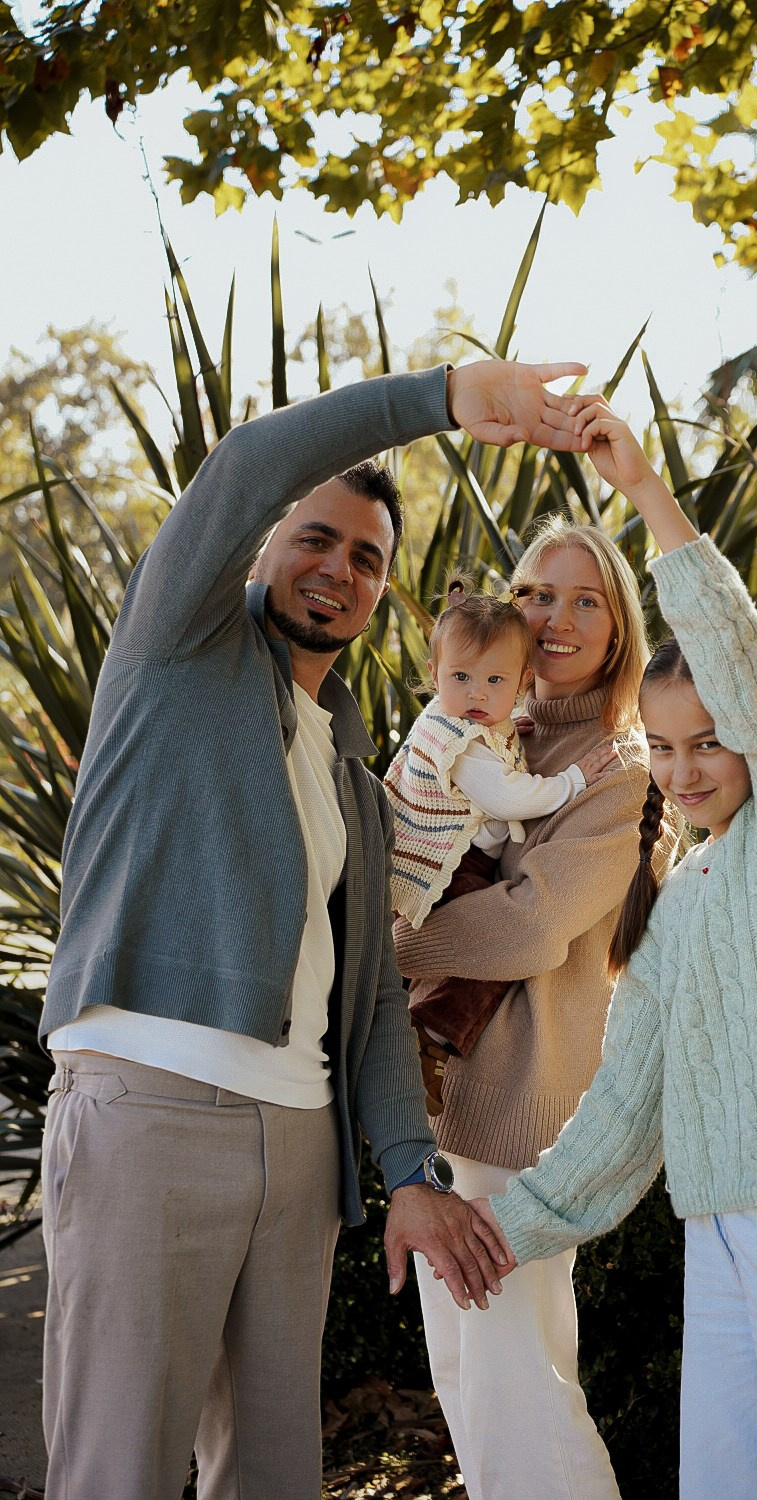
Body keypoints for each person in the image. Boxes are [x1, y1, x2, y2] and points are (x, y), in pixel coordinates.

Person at [36, 357, 587, 1500]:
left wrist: (408, 1171)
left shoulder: (349, 761)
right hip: (149, 1112)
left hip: (299, 1153)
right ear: (264, 544)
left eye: (367, 559)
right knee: (117, 1471)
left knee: (273, 1476)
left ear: (383, 596)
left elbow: (372, 987)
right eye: (316, 538)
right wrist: (437, 400)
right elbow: (245, 466)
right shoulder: (173, 649)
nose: (337, 567)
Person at [474, 399, 757, 1500]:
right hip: (716, 1240)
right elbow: (627, 1106)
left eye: (710, 742)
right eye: (665, 748)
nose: (683, 771)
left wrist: (645, 495)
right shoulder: (680, 901)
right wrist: (493, 1232)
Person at [392, 518, 655, 1500]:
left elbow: (532, 927)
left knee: (519, 1379)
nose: (557, 617)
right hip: (440, 1107)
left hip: (521, 1118)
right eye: (541, 594)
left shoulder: (617, 765)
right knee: (465, 1373)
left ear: (618, 628)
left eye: (586, 600)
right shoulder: (482, 733)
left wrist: (391, 948)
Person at [383, 582, 618, 1111]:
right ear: (435, 674)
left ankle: (411, 1032)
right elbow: (508, 797)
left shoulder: (478, 725)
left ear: (521, 682)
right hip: (451, 865)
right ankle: (428, 1035)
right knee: (491, 966)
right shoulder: (463, 742)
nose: (477, 695)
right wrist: (573, 781)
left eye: (495, 681)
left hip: (442, 858)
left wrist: (512, 724)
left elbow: (498, 735)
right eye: (461, 678)